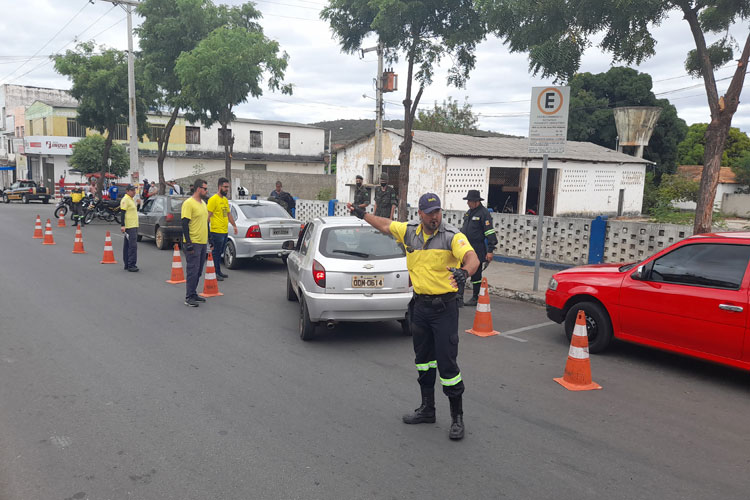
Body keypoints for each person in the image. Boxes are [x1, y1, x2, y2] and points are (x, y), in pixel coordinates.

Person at [347, 193, 479, 440]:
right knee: (423, 361)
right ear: (420, 214)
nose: (435, 217)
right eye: (430, 213)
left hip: (444, 309)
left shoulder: (451, 235)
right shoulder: (409, 232)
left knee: (447, 365)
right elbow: (385, 225)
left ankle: (457, 418)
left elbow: (472, 257)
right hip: (420, 307)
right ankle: (427, 409)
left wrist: (464, 272)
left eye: (437, 212)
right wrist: (362, 214)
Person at [459, 190, 499, 307]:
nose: (468, 203)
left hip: (477, 247)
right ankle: (458, 297)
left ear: (476, 201)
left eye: (469, 201)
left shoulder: (483, 213)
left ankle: (476, 297)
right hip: (465, 247)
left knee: (476, 274)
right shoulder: (469, 213)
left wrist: (490, 250)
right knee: (461, 270)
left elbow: (490, 232)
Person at [181, 178, 209, 307]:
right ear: (198, 189)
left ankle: (193, 293)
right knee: (192, 270)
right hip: (193, 242)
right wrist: (188, 243)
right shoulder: (189, 203)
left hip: (203, 242)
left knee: (198, 270)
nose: (206, 190)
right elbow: (184, 224)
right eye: (204, 188)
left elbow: (205, 223)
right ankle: (188, 297)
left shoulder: (203, 204)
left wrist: (210, 240)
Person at [207, 177, 238, 281]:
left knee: (220, 253)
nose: (227, 189)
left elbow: (228, 214)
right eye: (225, 187)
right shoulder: (213, 199)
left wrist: (234, 225)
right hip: (216, 231)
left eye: (227, 187)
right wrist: (207, 232)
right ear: (219, 187)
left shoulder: (225, 200)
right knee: (216, 253)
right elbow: (208, 216)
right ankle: (215, 272)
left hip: (224, 231)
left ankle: (219, 271)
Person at [120, 185, 139, 272]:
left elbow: (133, 211)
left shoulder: (131, 199)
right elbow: (122, 213)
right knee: (132, 246)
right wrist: (122, 225)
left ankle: (127, 264)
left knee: (128, 245)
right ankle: (131, 264)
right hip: (129, 226)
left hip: (134, 225)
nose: (134, 192)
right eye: (132, 190)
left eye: (134, 190)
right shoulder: (125, 200)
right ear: (127, 191)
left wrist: (138, 204)